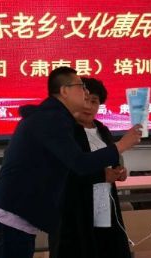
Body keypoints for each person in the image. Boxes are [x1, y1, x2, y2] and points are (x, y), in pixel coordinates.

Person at [0, 66, 142, 258]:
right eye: (81, 87)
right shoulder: (51, 119)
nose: (85, 93)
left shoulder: (56, 117)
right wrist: (121, 145)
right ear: (64, 91)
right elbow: (79, 163)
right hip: (11, 212)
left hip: (20, 211)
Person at [49, 77, 132, 258]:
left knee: (107, 247)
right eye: (85, 100)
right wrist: (102, 175)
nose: (88, 106)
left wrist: (119, 171)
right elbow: (66, 171)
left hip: (104, 203)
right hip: (75, 206)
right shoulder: (65, 131)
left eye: (94, 101)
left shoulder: (103, 130)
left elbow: (111, 160)